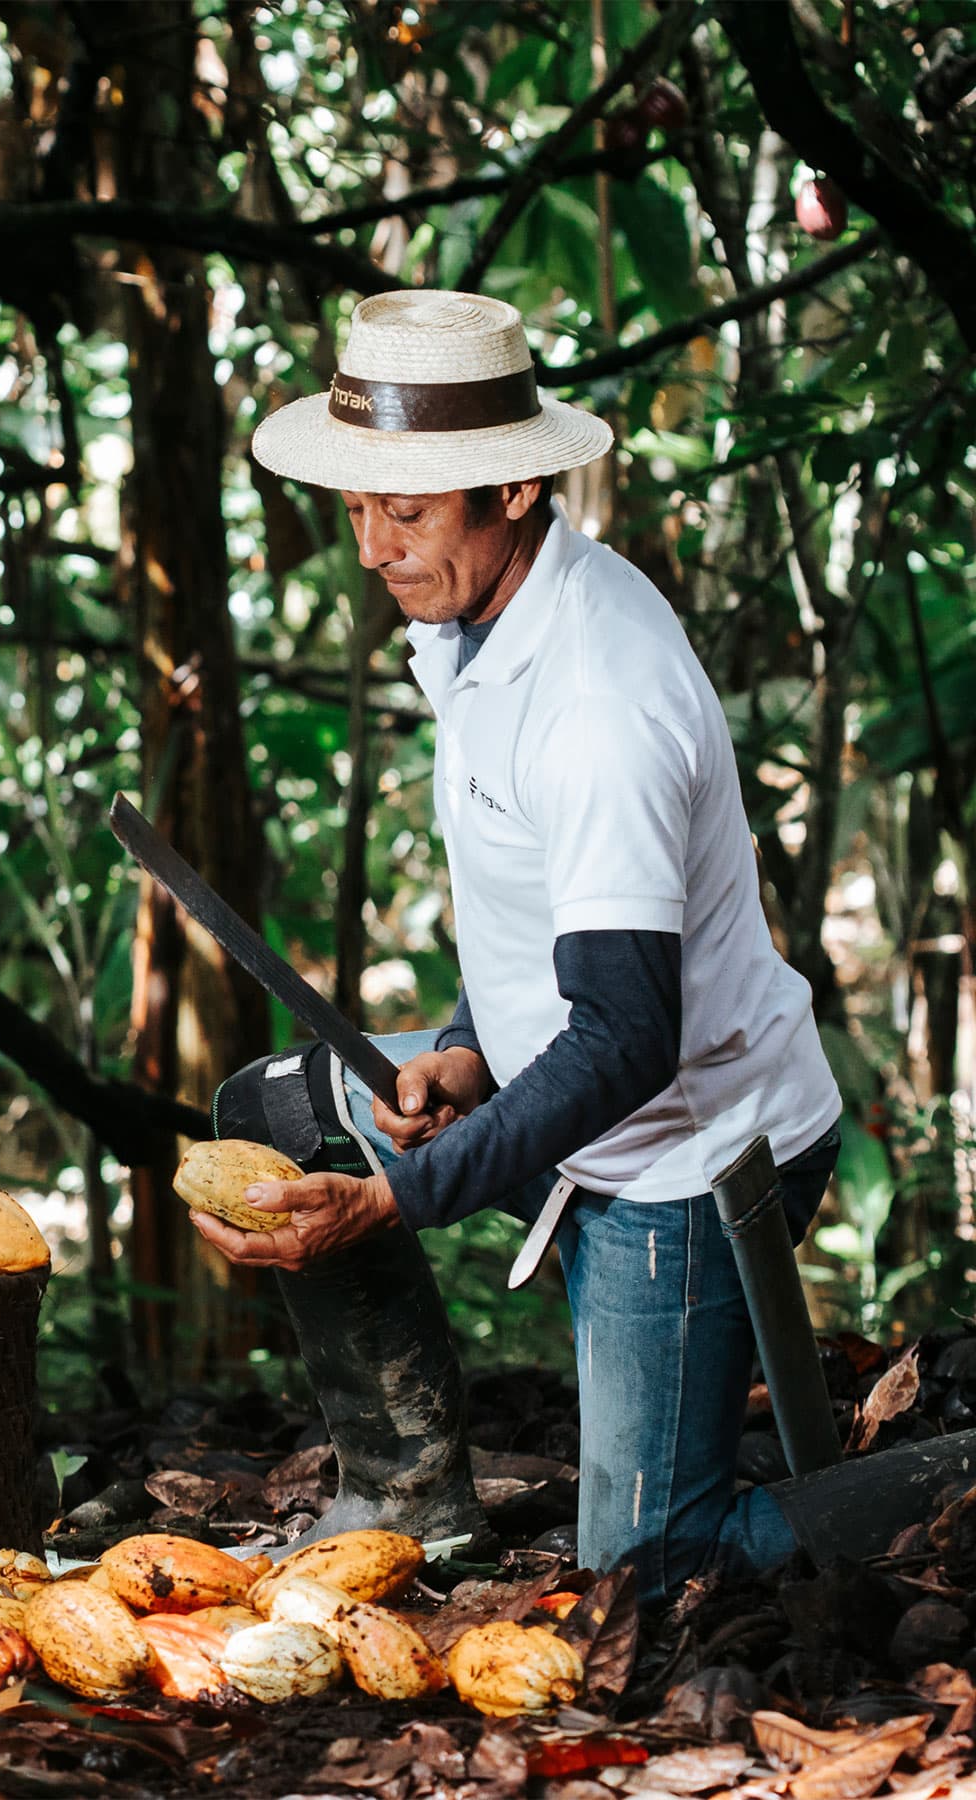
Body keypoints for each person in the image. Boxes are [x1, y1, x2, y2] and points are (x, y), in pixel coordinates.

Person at [195, 290, 967, 1607]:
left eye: (410, 510)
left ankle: (950, 1478)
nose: (375, 545)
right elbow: (535, 923)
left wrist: (395, 1199)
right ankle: (406, 1495)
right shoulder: (474, 609)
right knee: (275, 1109)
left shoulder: (600, 702)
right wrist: (462, 1052)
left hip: (689, 1160)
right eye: (362, 504)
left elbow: (624, 1036)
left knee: (653, 1568)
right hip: (574, 1097)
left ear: (517, 488)